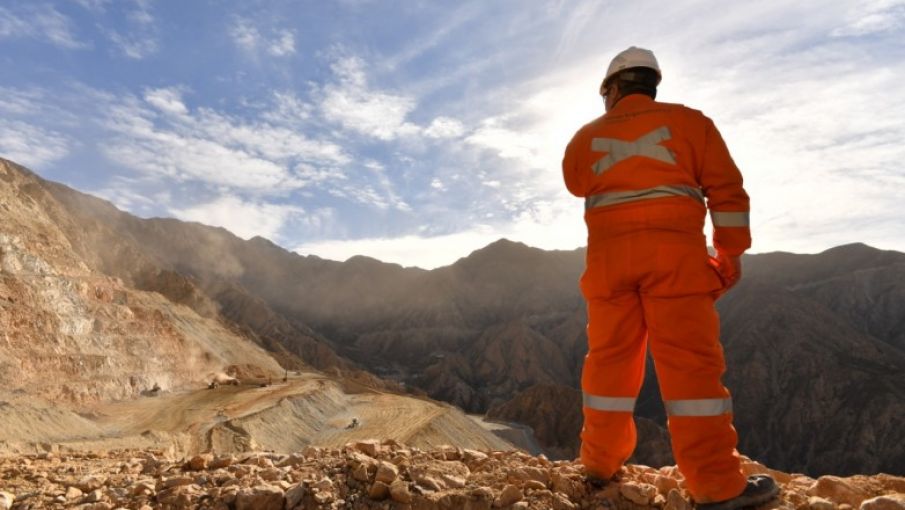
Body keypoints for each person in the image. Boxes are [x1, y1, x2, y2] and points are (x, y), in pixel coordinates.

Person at [561, 46, 778, 510]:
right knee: (690, 368)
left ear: (612, 88)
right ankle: (716, 485)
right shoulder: (693, 124)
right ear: (652, 84)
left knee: (608, 364)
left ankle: (599, 462)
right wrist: (730, 252)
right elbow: (727, 190)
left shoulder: (585, 138)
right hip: (675, 262)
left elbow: (576, 182)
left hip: (608, 267)